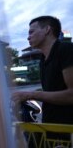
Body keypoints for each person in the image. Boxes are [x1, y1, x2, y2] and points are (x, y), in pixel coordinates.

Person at [12, 16, 73, 146]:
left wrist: (31, 94)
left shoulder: (65, 49)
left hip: (68, 130)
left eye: (31, 32)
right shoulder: (42, 60)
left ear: (47, 30)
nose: (28, 37)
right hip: (51, 127)